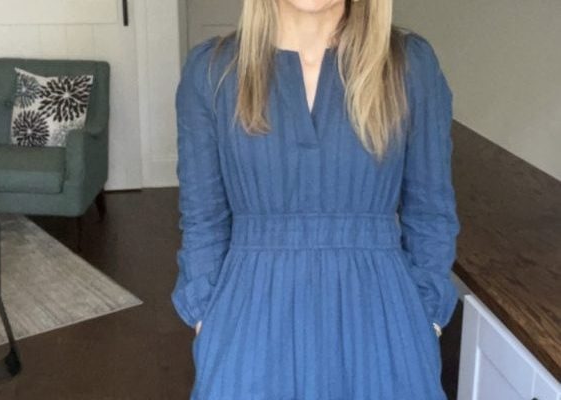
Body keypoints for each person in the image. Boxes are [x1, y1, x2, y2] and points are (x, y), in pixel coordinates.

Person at [171, 0, 460, 398]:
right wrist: (206, 312)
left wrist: (426, 316)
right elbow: (203, 216)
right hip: (248, 315)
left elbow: (431, 211)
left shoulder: (408, 66)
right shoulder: (212, 72)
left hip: (382, 316)